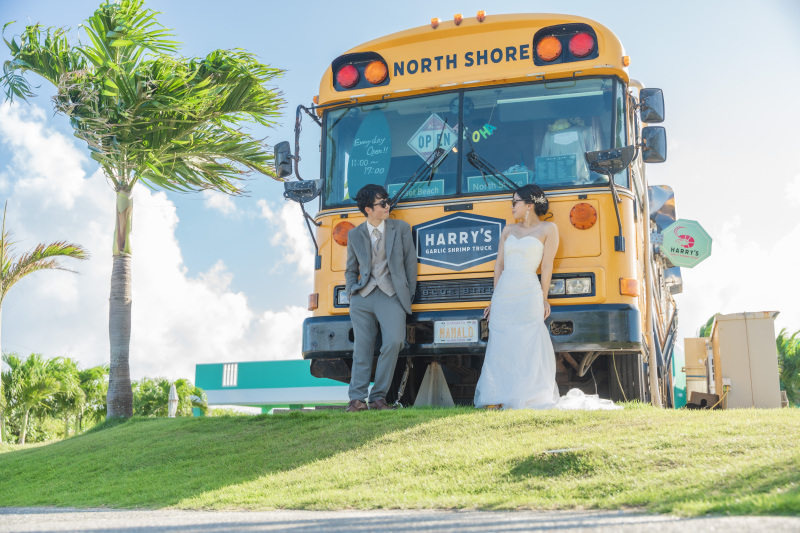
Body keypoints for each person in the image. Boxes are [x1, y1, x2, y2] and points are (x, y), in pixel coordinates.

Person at [473, 184, 618, 410]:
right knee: (501, 343)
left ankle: (526, 395)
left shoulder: (549, 229)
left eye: (515, 202)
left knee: (527, 342)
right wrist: (494, 299)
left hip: (528, 290)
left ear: (529, 205)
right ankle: (497, 396)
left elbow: (547, 265)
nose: (512, 207)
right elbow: (499, 265)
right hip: (504, 293)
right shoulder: (507, 230)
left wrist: (543, 298)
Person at [344, 184, 417, 412]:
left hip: (391, 295)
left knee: (394, 342)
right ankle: (357, 399)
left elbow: (410, 265)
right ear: (368, 209)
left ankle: (378, 397)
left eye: (387, 200)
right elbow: (350, 269)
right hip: (363, 297)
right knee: (362, 349)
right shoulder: (354, 234)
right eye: (382, 203)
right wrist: (351, 292)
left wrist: (406, 296)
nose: (388, 206)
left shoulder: (401, 228)